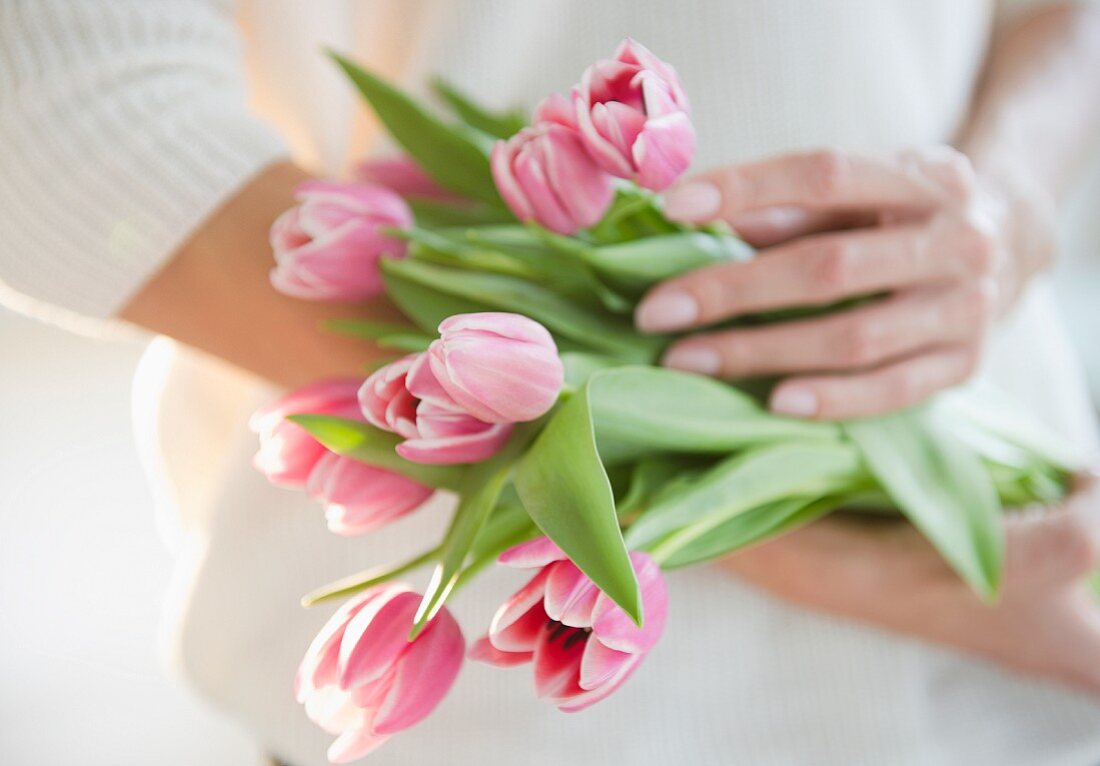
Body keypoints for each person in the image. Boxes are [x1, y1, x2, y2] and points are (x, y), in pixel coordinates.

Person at [2, 1, 1100, 764]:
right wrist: (757, 524)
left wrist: (1002, 203)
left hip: (1022, 665)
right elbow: (47, 101)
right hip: (498, 739)